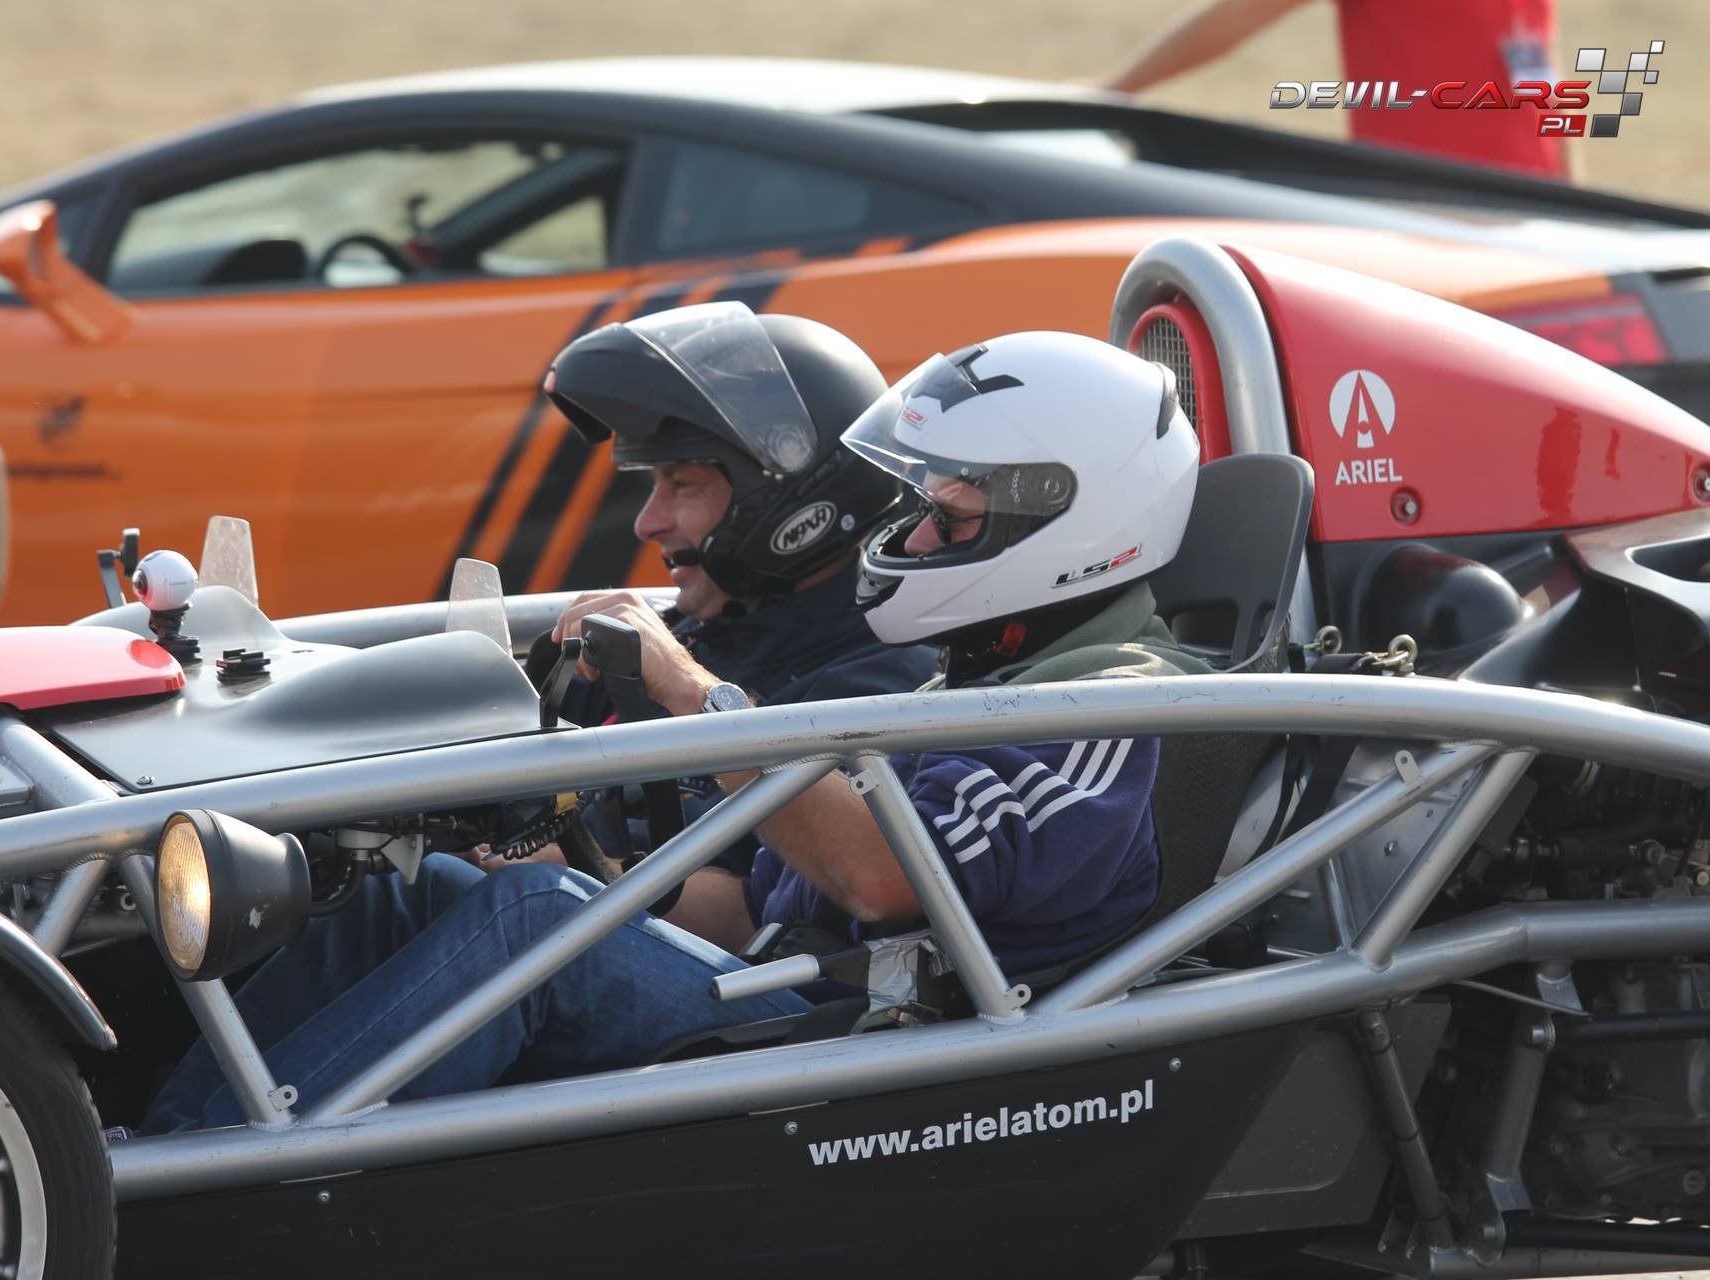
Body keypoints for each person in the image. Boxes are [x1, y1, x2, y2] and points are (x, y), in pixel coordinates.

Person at [144, 329, 1207, 1132]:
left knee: (530, 923)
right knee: (426, 889)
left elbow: (888, 880)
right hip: (786, 994)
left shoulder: (1110, 710)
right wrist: (578, 867)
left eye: (953, 516)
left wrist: (691, 689)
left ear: (1070, 523)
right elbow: (750, 908)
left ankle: (221, 1187)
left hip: (893, 1056)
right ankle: (159, 1150)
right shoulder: (980, 676)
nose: (917, 537)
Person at [535, 300, 941, 873]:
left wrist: (526, 871)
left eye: (683, 485)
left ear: (784, 503)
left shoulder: (880, 688)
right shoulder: (692, 635)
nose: (647, 523)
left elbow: (757, 904)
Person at [1103, 0, 1570, 179]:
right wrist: (1115, 90)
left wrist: (1574, 192)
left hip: (1535, 208)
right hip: (1425, 207)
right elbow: (1241, 15)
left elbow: (1542, 70)